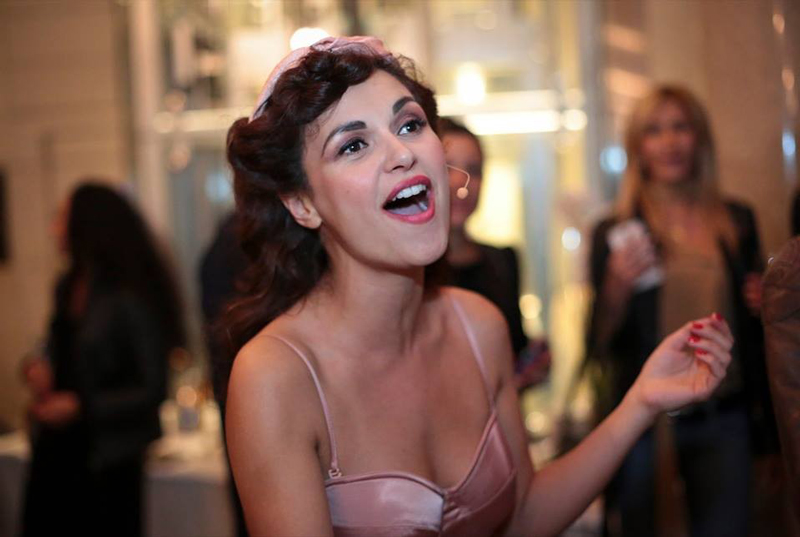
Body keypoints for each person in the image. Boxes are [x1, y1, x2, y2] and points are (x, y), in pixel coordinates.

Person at [223, 38, 734, 536]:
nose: (402, 153)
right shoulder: (275, 377)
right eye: (353, 145)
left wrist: (642, 401)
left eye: (410, 124)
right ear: (302, 203)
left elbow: (524, 516)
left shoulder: (478, 325)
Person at [586, 85, 777, 536]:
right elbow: (598, 344)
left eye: (680, 127)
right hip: (646, 424)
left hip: (725, 415)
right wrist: (615, 289)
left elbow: (755, 333)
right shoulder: (615, 230)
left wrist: (764, 303)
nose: (669, 142)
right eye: (654, 131)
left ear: (700, 138)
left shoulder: (736, 220)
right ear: (638, 147)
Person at [21, 182, 185, 537]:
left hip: (109, 456)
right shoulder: (67, 286)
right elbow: (57, 350)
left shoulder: (129, 295)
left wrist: (81, 406)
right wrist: (37, 368)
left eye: (61, 218)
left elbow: (152, 387)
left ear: (87, 224)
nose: (53, 228)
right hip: (59, 450)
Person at [440, 118, 549, 390]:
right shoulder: (409, 270)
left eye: (474, 170)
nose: (462, 183)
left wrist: (532, 366)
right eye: (448, 168)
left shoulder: (504, 260)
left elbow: (514, 349)